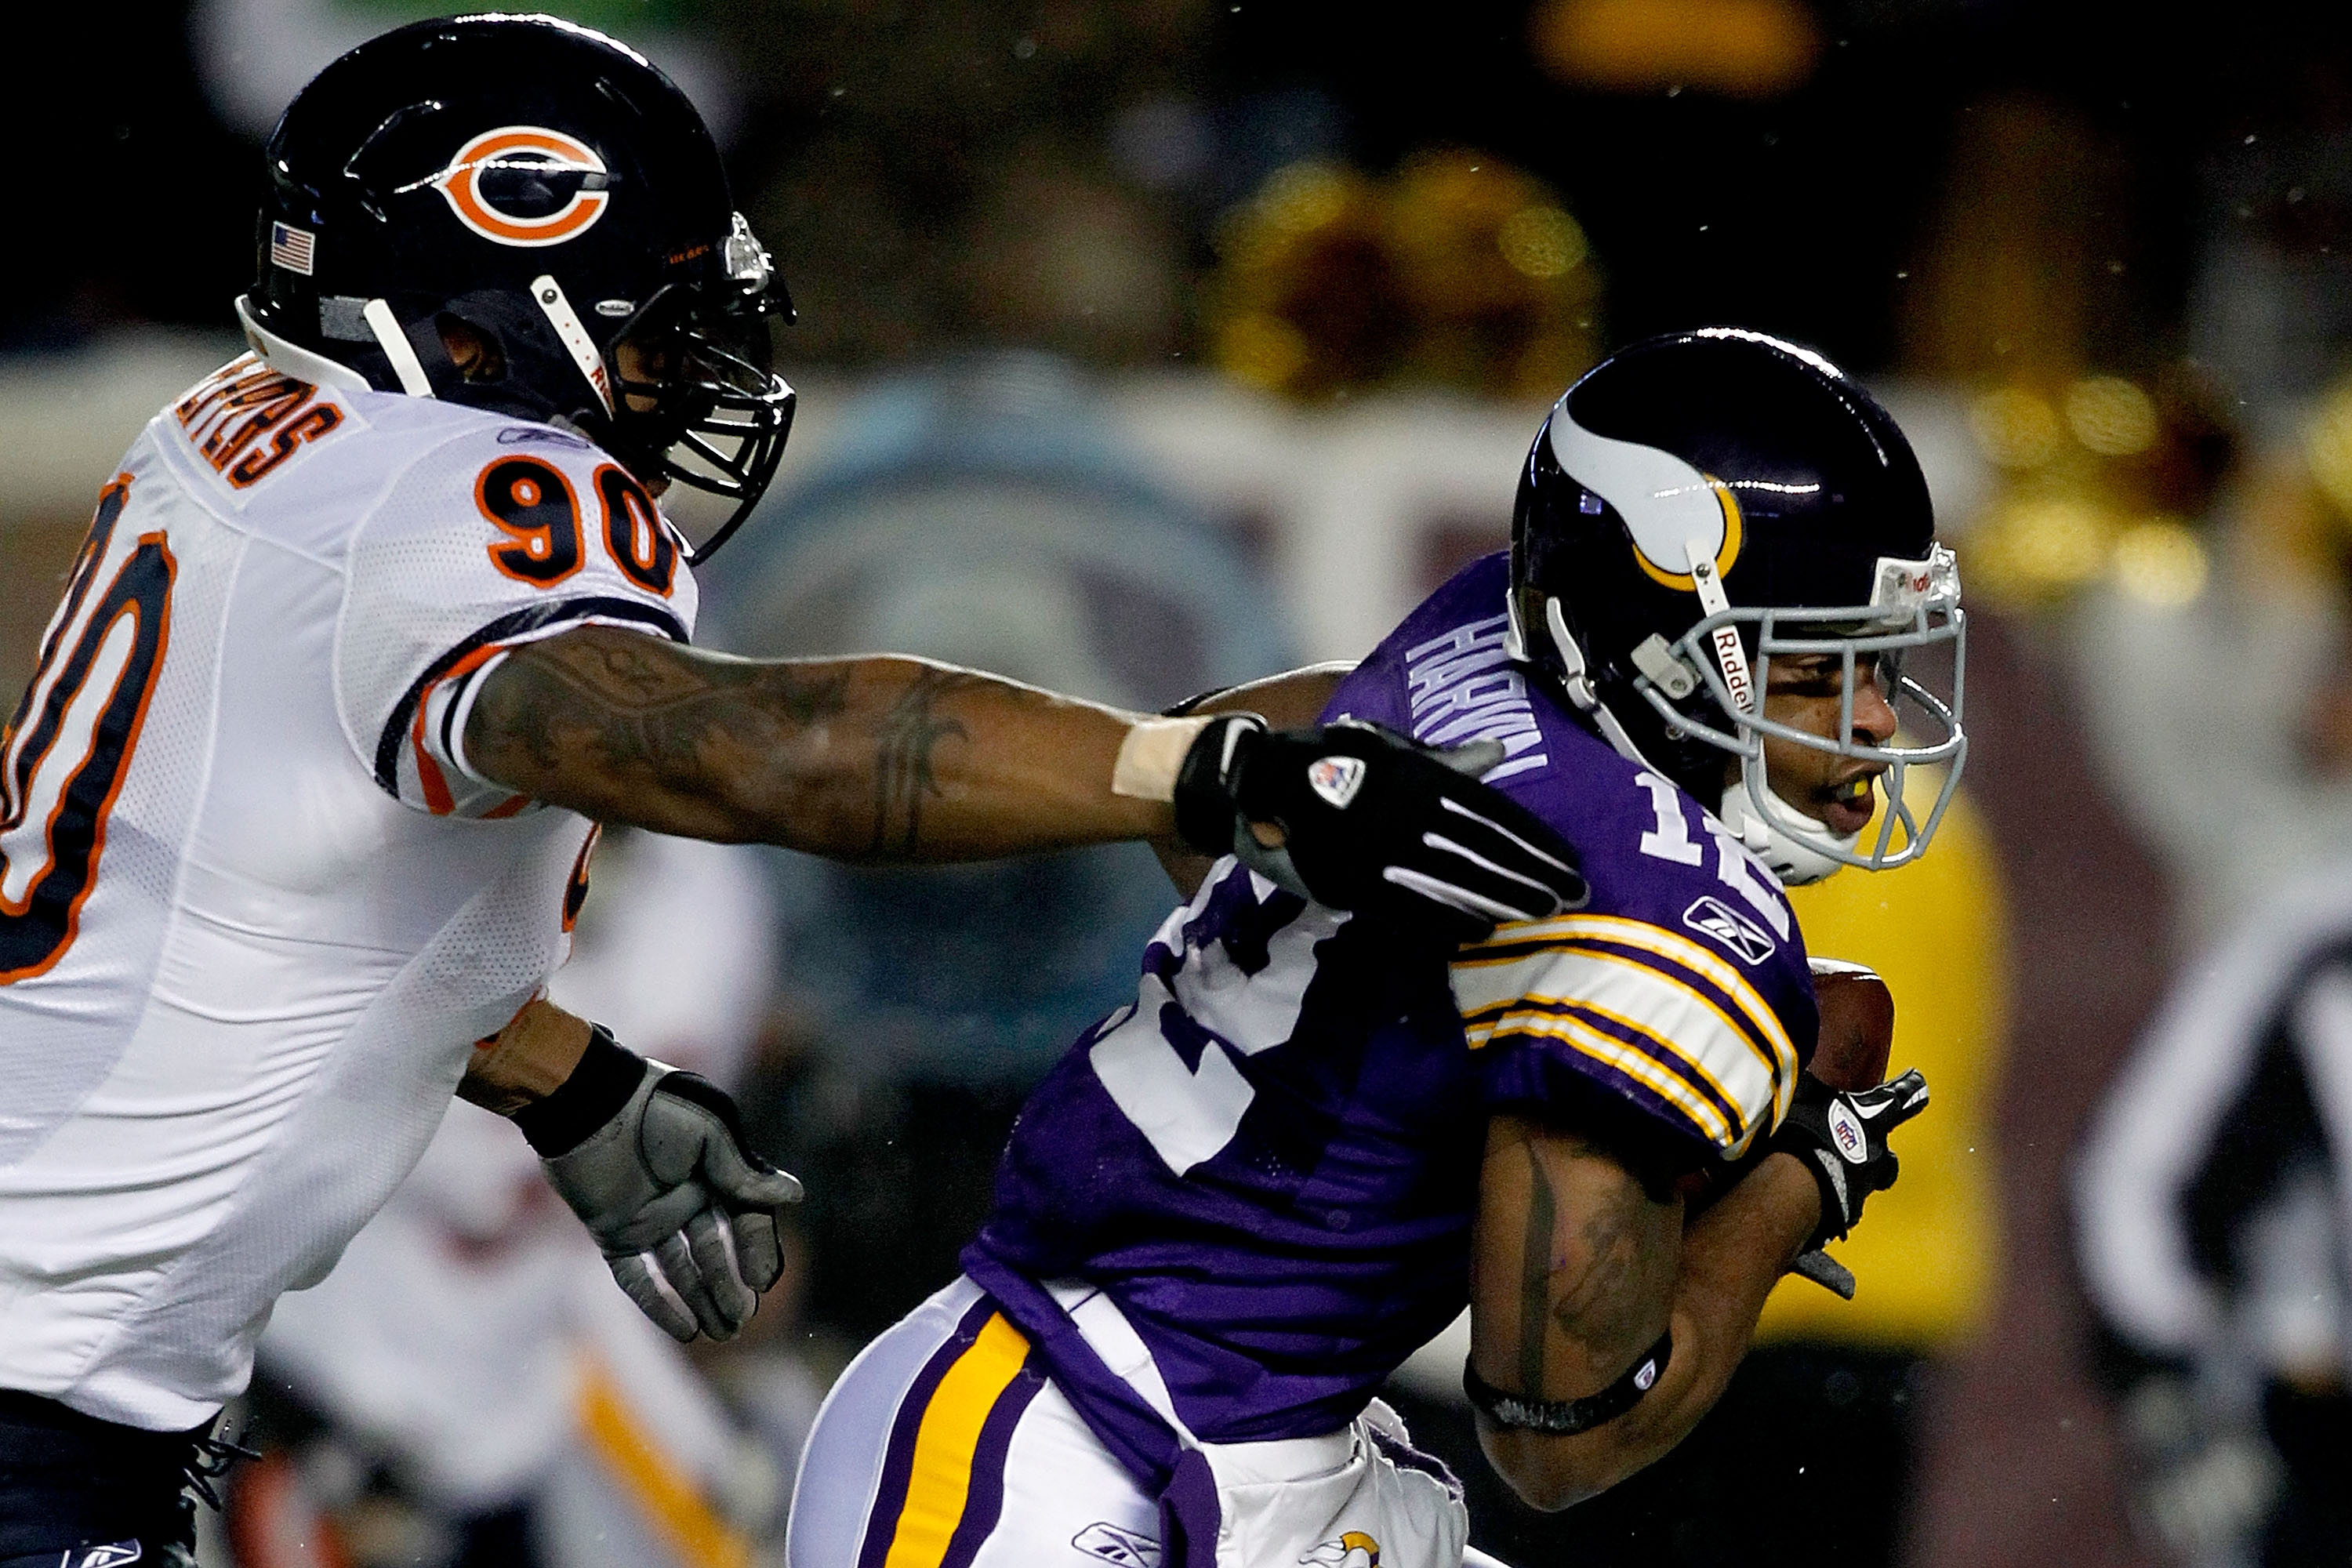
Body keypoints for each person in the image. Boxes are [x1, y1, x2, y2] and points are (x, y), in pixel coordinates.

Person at [0, 17, 1588, 1568]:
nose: (685, 372)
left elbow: (227, 877)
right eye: (647, 326)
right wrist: (1202, 768)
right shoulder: (468, 496)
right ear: (476, 325)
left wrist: (560, 1075)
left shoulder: (238, 436)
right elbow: (744, 750)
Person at [785, 328, 1960, 1568]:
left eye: (1878, 661)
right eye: (1821, 664)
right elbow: (1558, 1436)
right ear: (1660, 635)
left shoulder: (1490, 646)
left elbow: (1212, 778)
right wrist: (1797, 1178)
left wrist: (1409, 1021)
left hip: (1230, 1432)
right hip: (1079, 1459)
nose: (1878, 717)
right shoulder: (1659, 910)